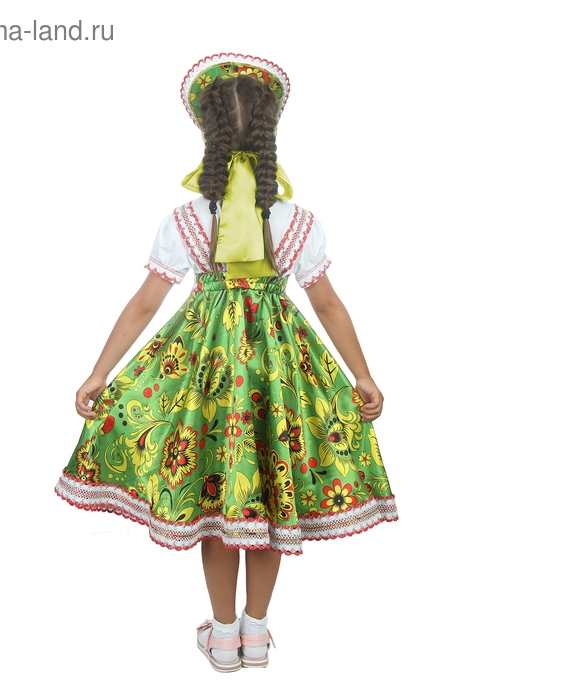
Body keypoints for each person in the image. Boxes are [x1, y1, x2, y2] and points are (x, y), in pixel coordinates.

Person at [54, 53, 398, 672]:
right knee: (269, 493)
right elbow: (326, 303)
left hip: (205, 371)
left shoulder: (186, 221)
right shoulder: (296, 221)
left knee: (217, 498)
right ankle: (256, 633)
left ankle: (221, 635)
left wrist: (100, 372)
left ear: (207, 139)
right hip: (278, 373)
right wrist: (361, 375)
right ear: (271, 137)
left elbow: (145, 303)